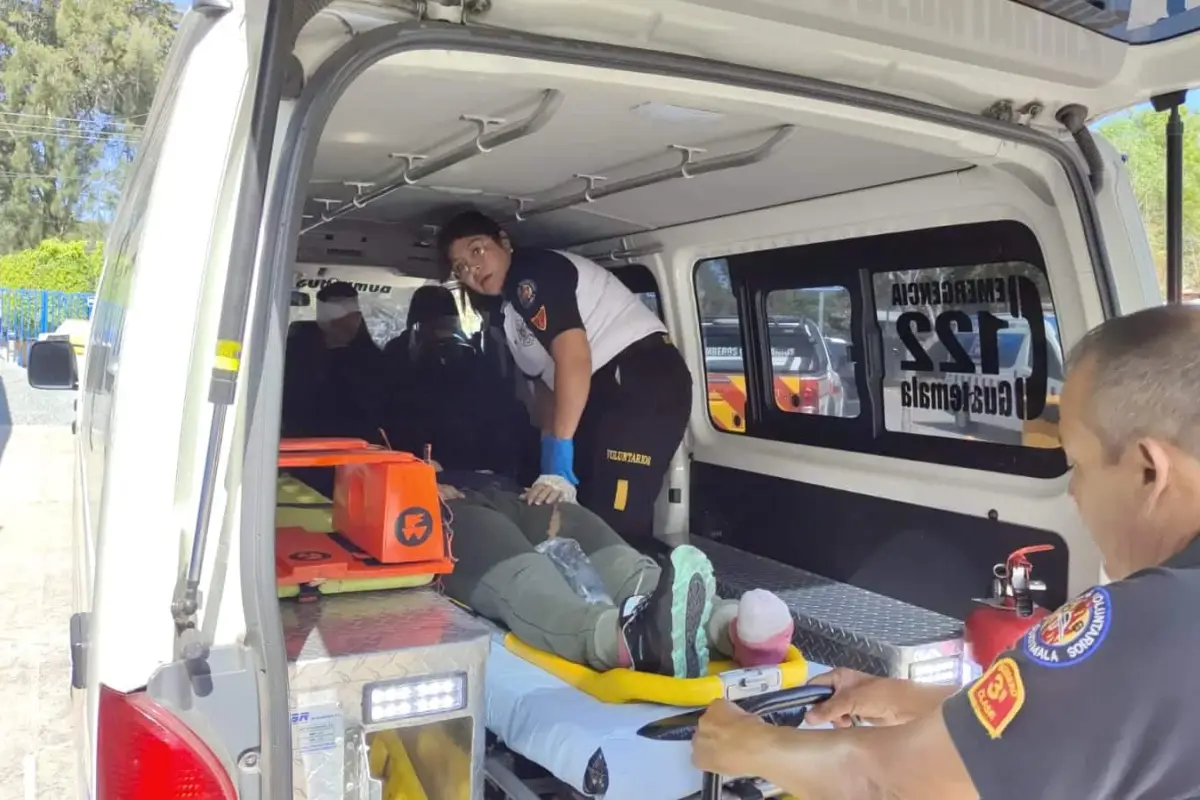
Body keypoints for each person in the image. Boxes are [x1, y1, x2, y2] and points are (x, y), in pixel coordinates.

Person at [691, 303, 1200, 799]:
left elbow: (887, 784)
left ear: (1147, 471)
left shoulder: (1149, 620)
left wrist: (750, 742)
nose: (1073, 493)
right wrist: (907, 700)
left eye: (1080, 465)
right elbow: (1069, 723)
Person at [436, 210, 692, 546]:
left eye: (477, 250)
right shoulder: (509, 313)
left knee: (614, 510)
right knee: (578, 505)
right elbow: (544, 388)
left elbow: (573, 355)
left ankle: (637, 588)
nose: (472, 269)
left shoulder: (533, 272)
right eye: (461, 268)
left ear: (504, 241)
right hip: (598, 390)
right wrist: (549, 460)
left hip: (638, 378)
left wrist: (559, 458)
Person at [437, 479, 795, 678]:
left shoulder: (495, 377)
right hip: (448, 509)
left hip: (521, 495)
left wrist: (554, 476)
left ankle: (729, 627)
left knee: (628, 568)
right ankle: (629, 639)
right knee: (530, 581)